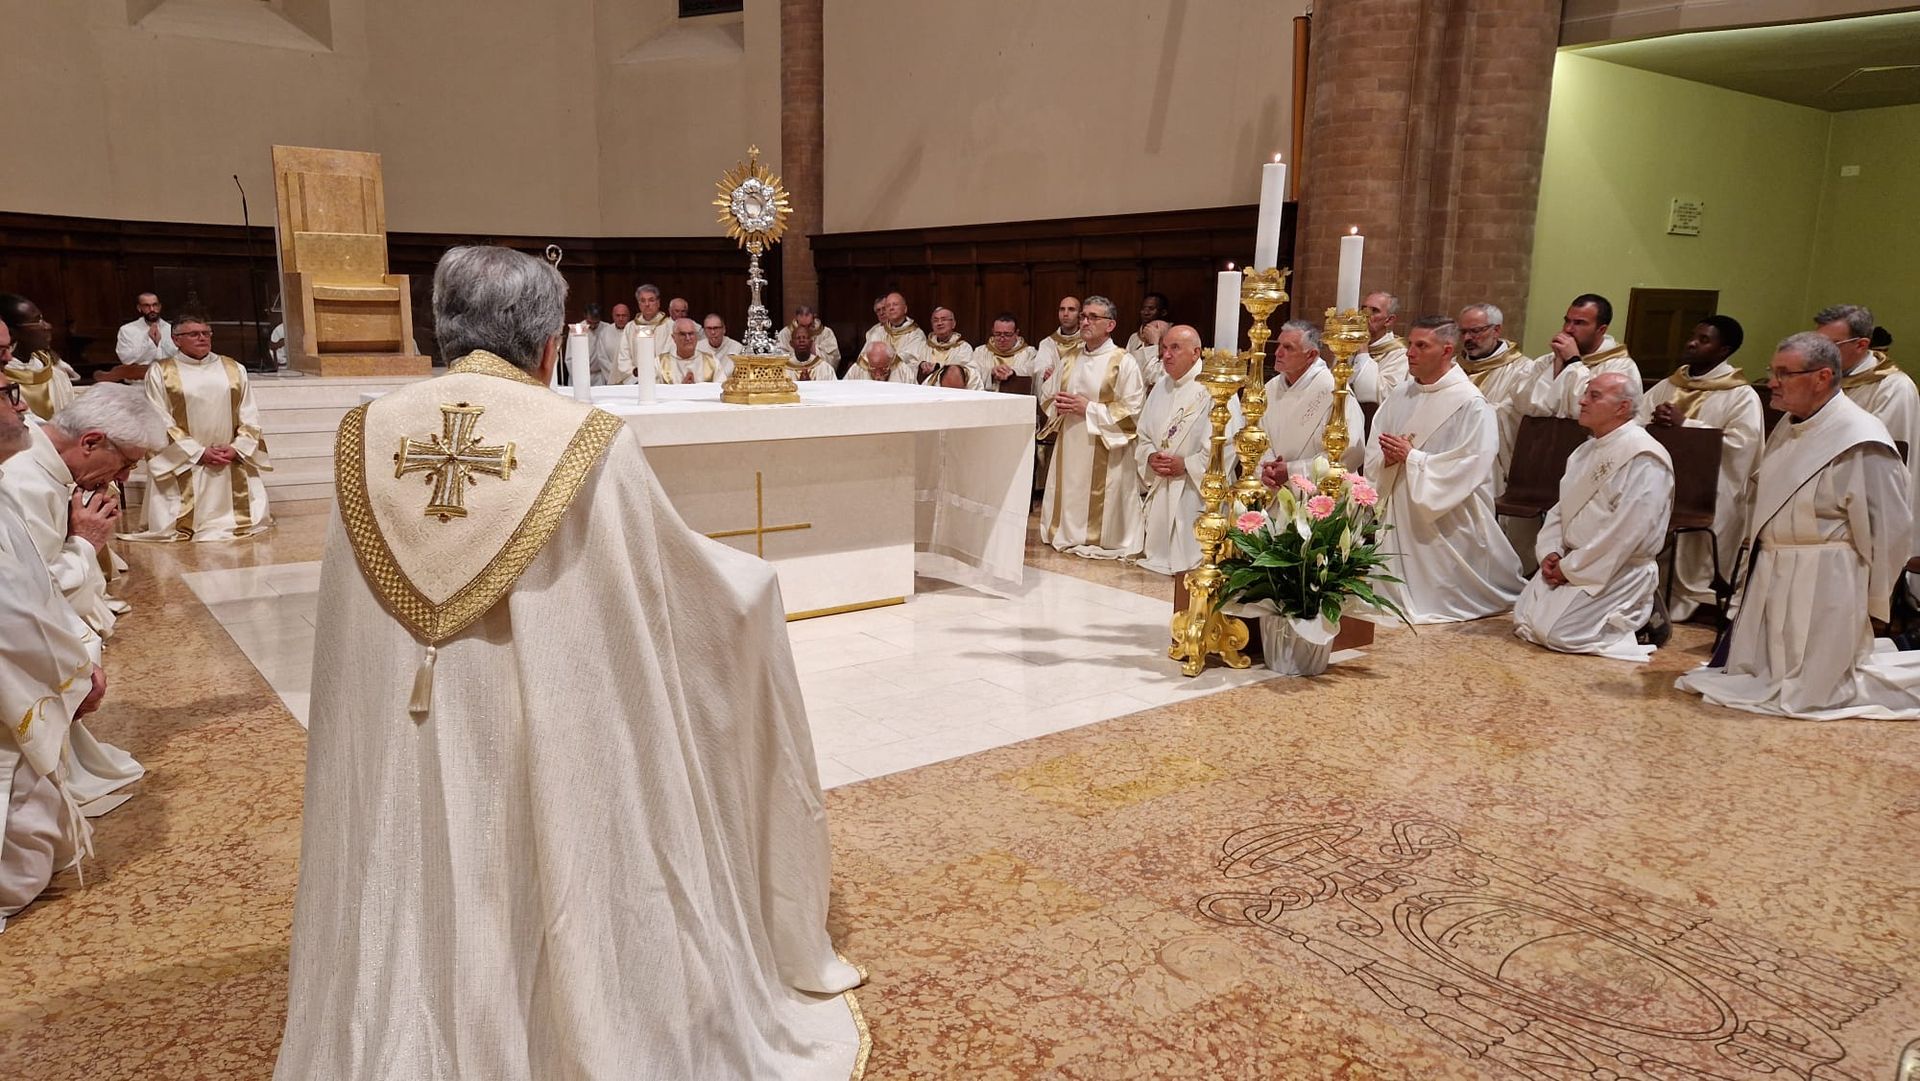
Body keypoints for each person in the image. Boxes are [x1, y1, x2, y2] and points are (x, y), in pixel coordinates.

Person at [273, 244, 865, 1078]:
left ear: (441, 328)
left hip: (402, 718)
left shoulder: (366, 433)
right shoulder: (583, 439)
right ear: (550, 343)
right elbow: (667, 583)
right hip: (537, 725)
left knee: (423, 859)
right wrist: (753, 588)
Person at [1676, 333, 1917, 720]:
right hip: (1776, 564)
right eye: (1773, 371)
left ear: (1822, 377)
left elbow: (1891, 527)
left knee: (1814, 687)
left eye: (1784, 373)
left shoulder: (1860, 438)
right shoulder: (1791, 425)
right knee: (1761, 674)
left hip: (1828, 574)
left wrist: (1875, 602)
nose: (1772, 381)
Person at [0, 376, 110, 930]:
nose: (24, 406)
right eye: (4, 391)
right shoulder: (23, 481)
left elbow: (29, 590)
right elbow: (12, 611)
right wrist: (74, 670)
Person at [1363, 317, 1523, 623]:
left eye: (1421, 345)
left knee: (1441, 592)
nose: (1410, 352)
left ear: (1447, 350)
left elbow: (1471, 462)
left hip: (1445, 511)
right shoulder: (1401, 394)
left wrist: (1413, 459)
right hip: (1400, 499)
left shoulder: (1470, 403)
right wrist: (1386, 459)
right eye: (1410, 343)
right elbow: (1376, 445)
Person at [1513, 373, 1675, 660]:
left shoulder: (1644, 457)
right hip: (1574, 560)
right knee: (1524, 621)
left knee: (1559, 634)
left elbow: (1627, 531)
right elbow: (1562, 509)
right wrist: (1550, 552)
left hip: (1614, 566)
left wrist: (1572, 567)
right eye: (1586, 393)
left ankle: (1640, 620)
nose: (1582, 401)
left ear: (1622, 407)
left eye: (1594, 396)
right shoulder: (1584, 451)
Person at [1, 384, 165, 638]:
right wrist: (85, 542)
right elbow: (32, 594)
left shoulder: (43, 456)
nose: (123, 477)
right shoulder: (21, 481)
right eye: (126, 463)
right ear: (90, 442)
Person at [1640, 315, 1763, 620]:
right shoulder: (1669, 385)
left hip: (1711, 488)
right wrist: (1652, 425)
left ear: (1724, 350)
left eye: (1704, 339)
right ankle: (1650, 589)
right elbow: (1634, 421)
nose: (1692, 343)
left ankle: (1693, 597)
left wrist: (1687, 426)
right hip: (1662, 483)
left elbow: (1743, 446)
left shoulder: (1741, 395)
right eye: (1693, 336)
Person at [122, 316, 272, 542]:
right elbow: (157, 418)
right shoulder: (161, 372)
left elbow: (249, 413)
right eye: (193, 334)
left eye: (206, 333)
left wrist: (237, 447)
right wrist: (197, 452)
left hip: (228, 456)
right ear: (176, 340)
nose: (202, 337)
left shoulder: (233, 368)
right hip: (186, 461)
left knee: (241, 516)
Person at [1039, 296, 1145, 559]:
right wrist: (1058, 405)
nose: (1084, 321)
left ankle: (1102, 536)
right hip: (1071, 441)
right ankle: (1068, 531)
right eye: (1083, 316)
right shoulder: (1070, 358)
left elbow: (1133, 410)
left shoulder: (1123, 362)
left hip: (1106, 447)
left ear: (1110, 325)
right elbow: (1048, 395)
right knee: (1071, 487)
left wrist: (1088, 408)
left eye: (1092, 317)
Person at [1816, 303, 1919, 565]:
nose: (1819, 353)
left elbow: (1879, 456)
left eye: (1830, 344)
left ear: (1861, 345)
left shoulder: (1893, 388)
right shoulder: (1823, 379)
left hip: (1862, 506)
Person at [1134, 325, 1214, 575]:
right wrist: (1150, 457)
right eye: (1164, 348)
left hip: (1193, 489)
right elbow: (1143, 433)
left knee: (1191, 559)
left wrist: (1188, 464)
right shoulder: (1161, 387)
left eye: (1175, 348)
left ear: (1196, 352)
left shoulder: (1214, 390)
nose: (1166, 355)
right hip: (1163, 483)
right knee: (1156, 557)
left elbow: (1225, 444)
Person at [1256, 320, 1364, 484]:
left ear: (1311, 355)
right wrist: (1266, 469)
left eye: (1288, 347)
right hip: (1271, 489)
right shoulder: (1270, 388)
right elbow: (1257, 435)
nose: (1278, 353)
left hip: (1316, 495)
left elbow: (1350, 452)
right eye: (1279, 345)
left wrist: (1293, 472)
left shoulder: (1335, 391)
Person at [1455, 303, 1537, 496]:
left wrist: (1466, 413)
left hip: (1491, 465)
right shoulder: (1452, 367)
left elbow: (1515, 416)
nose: (1467, 338)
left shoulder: (1523, 370)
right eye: (1463, 332)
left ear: (1497, 330)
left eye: (1475, 331)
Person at [1522, 293, 1640, 419]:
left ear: (1601, 330)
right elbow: (1525, 404)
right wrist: (1556, 368)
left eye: (1579, 323)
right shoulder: (1549, 359)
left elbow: (1588, 411)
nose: (1568, 329)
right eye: (1567, 321)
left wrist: (1573, 363)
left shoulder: (1621, 368)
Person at [0, 294, 77, 421]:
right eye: (37, 321)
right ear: (12, 332)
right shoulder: (4, 378)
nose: (47, 326)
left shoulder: (53, 368)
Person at [1348, 290, 1408, 405]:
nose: (1365, 315)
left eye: (1374, 311)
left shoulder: (1399, 354)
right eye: (1363, 309)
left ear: (1389, 320)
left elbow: (1383, 397)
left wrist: (1363, 352)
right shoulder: (1349, 346)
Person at [616, 284, 671, 383]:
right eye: (643, 301)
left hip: (661, 381)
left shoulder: (669, 326)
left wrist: (653, 375)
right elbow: (624, 357)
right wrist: (635, 374)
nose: (647, 304)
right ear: (638, 304)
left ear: (658, 303)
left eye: (651, 300)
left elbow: (668, 356)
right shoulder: (630, 327)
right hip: (636, 381)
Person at [863, 292, 928, 373]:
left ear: (905, 309)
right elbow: (864, 356)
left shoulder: (916, 334)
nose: (891, 308)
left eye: (895, 304)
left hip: (901, 378)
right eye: (888, 306)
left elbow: (912, 360)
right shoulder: (878, 332)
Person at [114, 292, 178, 367]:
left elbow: (178, 355)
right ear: (139, 308)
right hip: (139, 377)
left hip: (169, 375)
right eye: (147, 306)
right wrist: (151, 343)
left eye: (155, 305)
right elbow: (126, 359)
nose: (152, 309)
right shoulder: (126, 330)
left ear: (160, 307)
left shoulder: (171, 329)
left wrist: (160, 343)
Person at [1033, 295, 1082, 383]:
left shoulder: (1087, 343)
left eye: (1071, 309)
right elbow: (1039, 369)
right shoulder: (1047, 343)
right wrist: (1045, 373)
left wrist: (1058, 375)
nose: (1065, 314)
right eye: (1062, 309)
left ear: (1079, 314)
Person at [776, 306, 841, 372]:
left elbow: (834, 358)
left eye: (809, 325)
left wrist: (814, 350)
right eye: (802, 326)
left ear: (814, 317)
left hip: (818, 372)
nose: (805, 330)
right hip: (792, 371)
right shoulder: (785, 333)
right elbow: (779, 358)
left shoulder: (826, 333)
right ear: (796, 318)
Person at [980, 314, 1036, 391]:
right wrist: (991, 372)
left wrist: (1012, 372)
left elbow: (1032, 372)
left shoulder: (1029, 353)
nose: (1002, 339)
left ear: (1016, 333)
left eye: (1007, 334)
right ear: (993, 331)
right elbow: (973, 374)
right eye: (998, 334)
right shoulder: (981, 352)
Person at [922, 307, 976, 385]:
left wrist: (937, 368)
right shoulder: (924, 346)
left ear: (953, 324)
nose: (939, 323)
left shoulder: (963, 348)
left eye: (943, 319)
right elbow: (911, 368)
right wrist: (921, 365)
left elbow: (967, 372)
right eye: (935, 320)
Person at [657, 318, 719, 383]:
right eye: (683, 334)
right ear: (674, 337)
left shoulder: (712, 362)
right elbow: (651, 390)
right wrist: (682, 389)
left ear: (697, 336)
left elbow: (722, 390)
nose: (688, 338)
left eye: (691, 333)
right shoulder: (660, 364)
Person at [581, 303, 621, 386]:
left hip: (601, 375)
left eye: (596, 323)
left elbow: (605, 356)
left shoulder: (607, 328)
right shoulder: (577, 330)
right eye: (589, 322)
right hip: (581, 374)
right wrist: (580, 372)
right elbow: (570, 358)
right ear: (585, 317)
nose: (592, 326)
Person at [697, 313, 743, 380]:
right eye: (709, 328)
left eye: (716, 328)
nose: (712, 332)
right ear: (704, 331)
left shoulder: (737, 348)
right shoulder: (698, 347)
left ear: (724, 329)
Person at [845, 340, 914, 383]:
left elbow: (915, 394)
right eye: (873, 368)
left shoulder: (903, 371)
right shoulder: (857, 369)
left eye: (883, 369)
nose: (878, 376)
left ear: (890, 361)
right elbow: (844, 390)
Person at [1131, 319, 1169, 385]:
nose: (1145, 346)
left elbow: (1152, 377)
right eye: (1146, 342)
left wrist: (1153, 345)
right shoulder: (1140, 350)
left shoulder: (1172, 361)